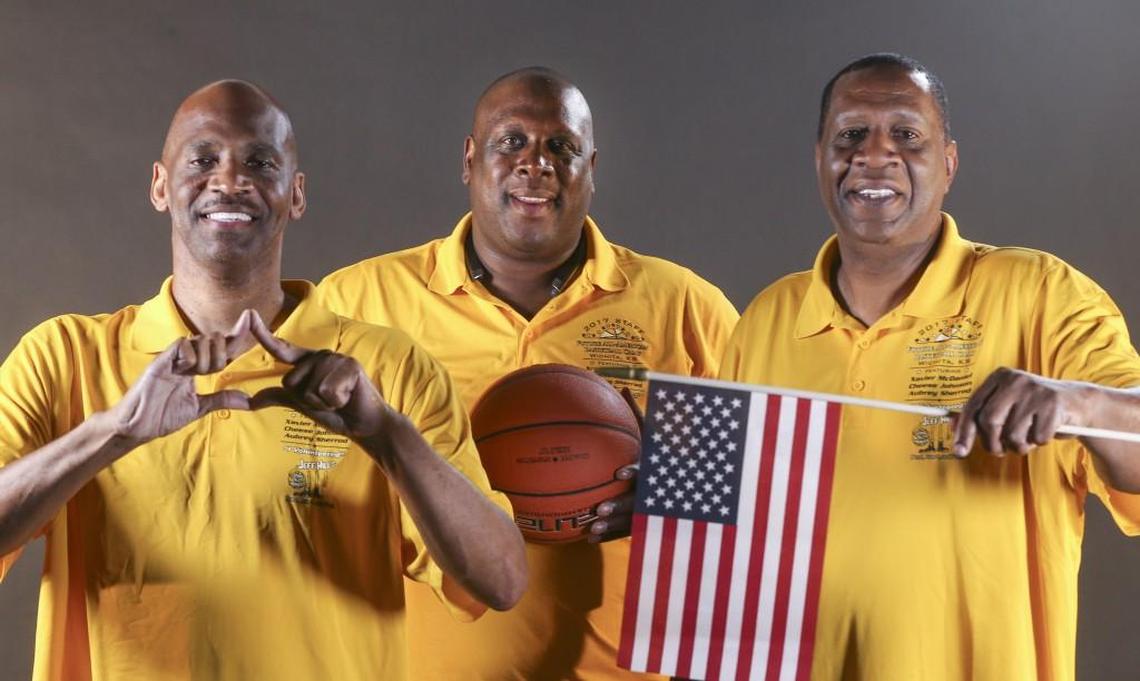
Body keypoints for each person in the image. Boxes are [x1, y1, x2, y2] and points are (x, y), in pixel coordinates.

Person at [0, 80, 526, 681]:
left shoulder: (385, 369)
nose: (229, 180)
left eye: (259, 161)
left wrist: (385, 436)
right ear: (159, 185)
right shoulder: (64, 356)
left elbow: (502, 581)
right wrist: (113, 433)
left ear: (294, 193)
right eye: (202, 159)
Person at [720, 53, 1140, 680]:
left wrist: (1078, 405)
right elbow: (734, 526)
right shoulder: (767, 319)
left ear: (947, 163)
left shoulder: (1042, 294)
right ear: (820, 160)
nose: (874, 154)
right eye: (851, 135)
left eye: (906, 135)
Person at [317, 67, 739, 680]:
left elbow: (772, 488)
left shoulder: (684, 305)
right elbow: (296, 484)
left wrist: (676, 492)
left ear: (591, 166)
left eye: (560, 147)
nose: (534, 163)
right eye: (510, 141)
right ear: (469, 159)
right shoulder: (358, 301)